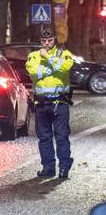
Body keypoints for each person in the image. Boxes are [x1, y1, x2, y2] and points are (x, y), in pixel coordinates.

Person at [26, 26, 75, 179]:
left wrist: (47, 58)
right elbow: (33, 73)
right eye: (44, 40)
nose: (47, 43)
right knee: (44, 138)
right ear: (40, 41)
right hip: (41, 104)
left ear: (55, 39)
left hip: (60, 103)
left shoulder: (64, 54)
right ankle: (48, 167)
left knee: (61, 137)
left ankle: (64, 168)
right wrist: (52, 69)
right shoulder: (33, 56)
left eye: (50, 40)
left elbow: (65, 68)